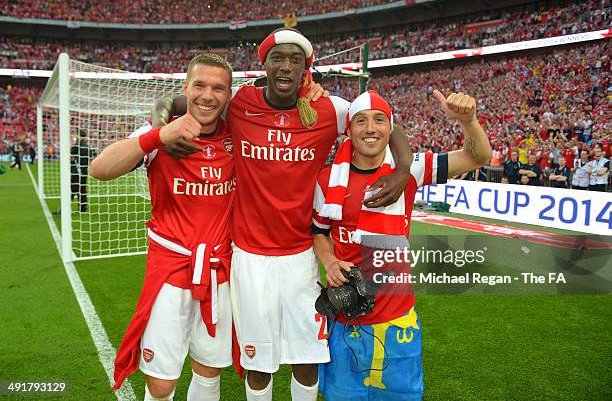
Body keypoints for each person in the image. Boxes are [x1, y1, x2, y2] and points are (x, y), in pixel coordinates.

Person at [153, 28, 413, 401]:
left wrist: (403, 170)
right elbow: (175, 103)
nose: (286, 66)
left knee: (306, 360)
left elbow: (386, 123)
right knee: (259, 364)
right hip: (249, 256)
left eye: (295, 59)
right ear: (264, 65)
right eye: (278, 58)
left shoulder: (328, 110)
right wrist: (163, 127)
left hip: (299, 255)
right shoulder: (240, 102)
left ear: (307, 68)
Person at [312, 90, 491, 401]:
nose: (370, 128)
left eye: (379, 120)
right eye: (361, 121)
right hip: (345, 317)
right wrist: (329, 262)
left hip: (397, 318)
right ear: (349, 129)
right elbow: (319, 232)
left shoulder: (411, 169)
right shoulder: (327, 179)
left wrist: (469, 121)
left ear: (390, 127)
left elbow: (478, 156)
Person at [91, 53, 235, 401]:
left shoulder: (238, 135)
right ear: (186, 88)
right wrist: (157, 135)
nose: (207, 95)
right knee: (160, 383)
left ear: (228, 95)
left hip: (220, 271)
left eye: (218, 88)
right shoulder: (162, 131)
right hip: (170, 271)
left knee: (209, 369)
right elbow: (99, 168)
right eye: (199, 85)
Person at [70, 129, 96, 212]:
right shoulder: (88, 147)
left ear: (79, 136)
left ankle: (64, 208)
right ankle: (83, 207)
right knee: (82, 189)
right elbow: (91, 160)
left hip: (75, 171)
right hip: (84, 171)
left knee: (71, 189)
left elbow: (70, 158)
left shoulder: (76, 146)